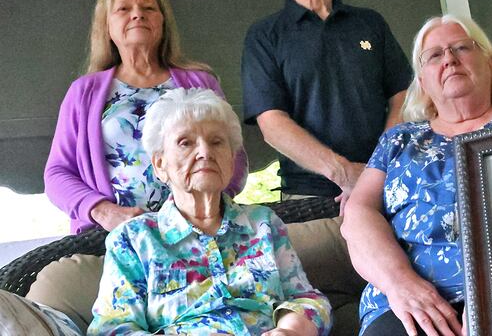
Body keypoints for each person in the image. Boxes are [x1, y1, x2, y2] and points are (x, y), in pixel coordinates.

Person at [341, 15, 492, 335]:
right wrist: (402, 283)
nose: (449, 59)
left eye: (462, 48)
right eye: (434, 55)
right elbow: (358, 213)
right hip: (403, 302)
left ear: (490, 63)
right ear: (422, 81)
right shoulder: (400, 139)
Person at [88, 88, 331, 335]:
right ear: (160, 165)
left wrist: (290, 330)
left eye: (217, 142)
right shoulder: (134, 239)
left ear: (231, 159)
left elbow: (308, 299)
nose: (205, 152)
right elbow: (112, 328)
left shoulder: (263, 224)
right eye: (186, 142)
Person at [45, 0, 247, 234]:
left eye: (148, 7)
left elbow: (234, 156)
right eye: (124, 9)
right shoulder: (84, 92)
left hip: (196, 231)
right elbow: (57, 174)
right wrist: (104, 212)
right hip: (112, 237)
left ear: (162, 21)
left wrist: (203, 207)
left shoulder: (201, 82)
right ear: (107, 26)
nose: (138, 14)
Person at [241, 0, 412, 211]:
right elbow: (272, 124)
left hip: (387, 185)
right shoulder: (264, 36)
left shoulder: (370, 23)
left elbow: (403, 96)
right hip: (309, 198)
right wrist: (345, 174)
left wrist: (376, 170)